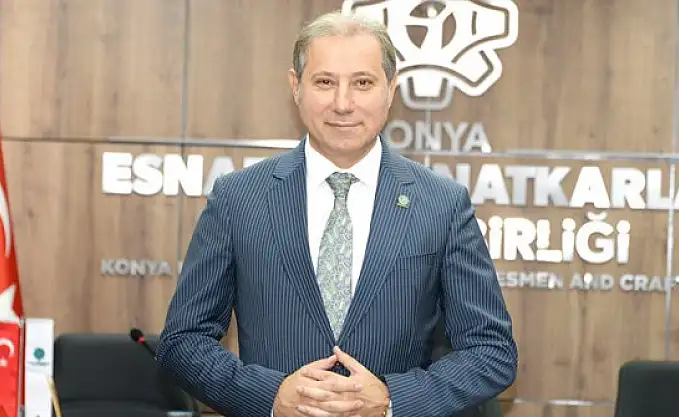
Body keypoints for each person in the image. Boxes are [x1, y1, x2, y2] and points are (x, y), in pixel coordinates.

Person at [156, 9, 517, 417]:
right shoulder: (238, 198)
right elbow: (183, 341)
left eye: (362, 83)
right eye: (325, 82)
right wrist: (270, 396)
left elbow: (492, 351)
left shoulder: (441, 204)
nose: (343, 104)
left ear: (390, 89)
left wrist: (392, 400)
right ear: (296, 87)